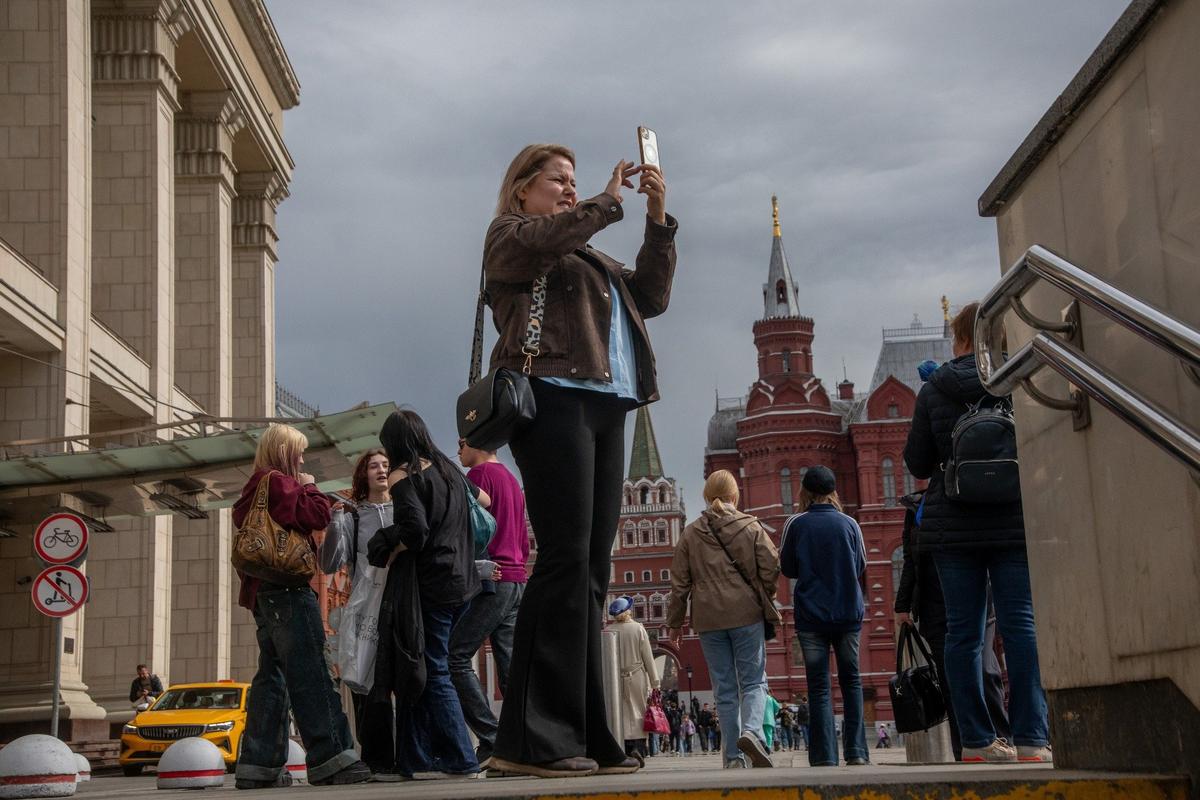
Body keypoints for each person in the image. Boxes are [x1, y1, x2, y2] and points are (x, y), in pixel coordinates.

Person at [484, 143, 676, 779]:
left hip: (606, 404)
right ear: (522, 191)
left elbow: (651, 296)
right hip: (552, 397)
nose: (570, 189)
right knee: (565, 558)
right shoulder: (511, 237)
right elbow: (547, 238)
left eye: (573, 181)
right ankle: (533, 739)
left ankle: (588, 733)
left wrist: (655, 217)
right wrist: (603, 202)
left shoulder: (590, 254)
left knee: (594, 568)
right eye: (557, 181)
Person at [903, 302, 1051, 764]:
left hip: (954, 526)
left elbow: (917, 463)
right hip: (1011, 519)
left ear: (961, 337)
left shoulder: (935, 389)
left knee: (963, 635)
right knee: (1021, 627)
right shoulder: (1015, 380)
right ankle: (1031, 738)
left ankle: (975, 741)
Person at [232, 423, 370, 789]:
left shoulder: (254, 486)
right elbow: (316, 516)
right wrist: (309, 485)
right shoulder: (279, 482)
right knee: (311, 672)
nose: (303, 459)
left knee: (272, 678)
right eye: (299, 452)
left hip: (262, 594)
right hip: (288, 590)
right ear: (284, 452)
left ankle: (258, 766)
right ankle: (332, 759)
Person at [367, 410, 483, 779]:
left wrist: (388, 543)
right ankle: (414, 758)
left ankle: (461, 757)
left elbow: (414, 531)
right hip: (463, 580)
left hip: (432, 583)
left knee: (432, 669)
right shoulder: (449, 470)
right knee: (419, 668)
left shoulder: (405, 475)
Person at [666, 469, 780, 769]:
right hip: (746, 614)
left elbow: (679, 583)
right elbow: (771, 564)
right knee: (753, 681)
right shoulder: (751, 526)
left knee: (725, 689)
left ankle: (732, 757)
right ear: (734, 495)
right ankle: (753, 733)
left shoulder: (690, 533)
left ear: (707, 495)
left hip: (708, 620)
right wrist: (762, 591)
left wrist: (675, 624)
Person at [895, 489, 1011, 761]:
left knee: (985, 672)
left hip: (978, 603)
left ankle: (1004, 739)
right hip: (935, 608)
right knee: (950, 679)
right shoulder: (916, 508)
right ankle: (966, 747)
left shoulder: (968, 493)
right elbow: (910, 560)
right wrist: (902, 605)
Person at [779, 465, 870, 767]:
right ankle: (857, 752)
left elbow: (788, 568)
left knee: (819, 687)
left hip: (811, 617)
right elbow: (861, 565)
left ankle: (824, 756)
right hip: (847, 614)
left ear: (804, 491)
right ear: (833, 492)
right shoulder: (850, 524)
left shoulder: (796, 524)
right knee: (851, 682)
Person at [448, 439, 529, 769]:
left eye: (460, 445)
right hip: (516, 578)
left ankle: (492, 738)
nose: (458, 453)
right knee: (511, 665)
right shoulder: (510, 478)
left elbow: (473, 529)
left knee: (455, 656)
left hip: (491, 577)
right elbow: (522, 537)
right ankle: (522, 739)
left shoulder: (479, 476)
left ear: (472, 443)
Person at [318, 449, 397, 777]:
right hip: (367, 611)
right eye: (373, 466)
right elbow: (329, 563)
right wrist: (336, 523)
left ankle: (412, 754)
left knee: (411, 679)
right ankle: (379, 761)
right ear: (363, 475)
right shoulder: (354, 516)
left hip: (404, 603)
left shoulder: (405, 508)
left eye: (385, 465)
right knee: (370, 684)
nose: (380, 470)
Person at [607, 596, 660, 760]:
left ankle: (623, 748)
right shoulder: (638, 628)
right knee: (638, 711)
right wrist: (655, 681)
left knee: (619, 712)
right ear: (628, 611)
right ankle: (638, 747)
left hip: (615, 677)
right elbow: (648, 657)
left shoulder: (608, 631)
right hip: (636, 675)